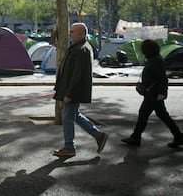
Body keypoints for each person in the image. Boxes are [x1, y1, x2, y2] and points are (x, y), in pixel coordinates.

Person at [53, 23, 108, 157]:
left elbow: (77, 75)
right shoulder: (80, 47)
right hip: (71, 90)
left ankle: (69, 146)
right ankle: (98, 136)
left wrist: (69, 93)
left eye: (72, 32)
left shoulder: (81, 49)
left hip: (72, 91)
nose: (70, 34)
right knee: (74, 115)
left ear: (81, 34)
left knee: (67, 118)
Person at [121, 39, 183, 148]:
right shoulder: (153, 59)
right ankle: (178, 136)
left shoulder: (156, 61)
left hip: (154, 93)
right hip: (152, 92)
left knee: (144, 113)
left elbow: (162, 79)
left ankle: (136, 137)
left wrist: (162, 93)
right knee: (162, 115)